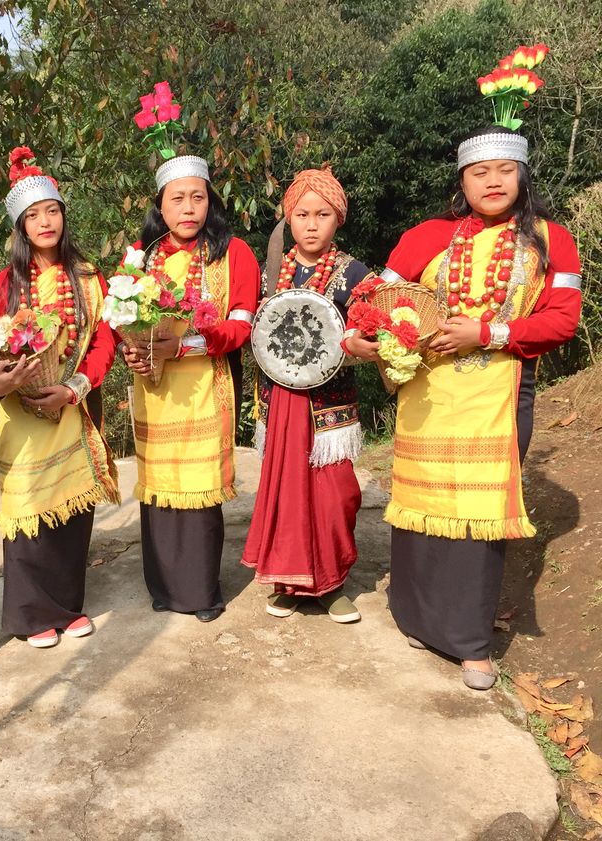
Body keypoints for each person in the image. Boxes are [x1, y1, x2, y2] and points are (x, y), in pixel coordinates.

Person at [381, 123, 581, 689]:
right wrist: (373, 337)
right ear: (461, 181)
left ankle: (470, 642)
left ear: (523, 173)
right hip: (427, 394)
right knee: (421, 509)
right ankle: (417, 616)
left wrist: (487, 333)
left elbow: (563, 318)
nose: (493, 181)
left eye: (504, 169)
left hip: (499, 391)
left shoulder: (549, 239)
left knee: (480, 517)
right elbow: (381, 304)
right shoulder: (426, 236)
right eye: (478, 172)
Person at [0, 147, 119, 648]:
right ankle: (33, 614)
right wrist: (3, 383)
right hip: (21, 420)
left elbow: (103, 342)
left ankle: (67, 606)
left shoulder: (88, 278)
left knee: (73, 511)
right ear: (20, 227)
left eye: (52, 211)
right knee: (29, 511)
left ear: (63, 214)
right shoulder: (1, 286)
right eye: (33, 216)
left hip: (71, 408)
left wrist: (75, 388)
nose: (45, 222)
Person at [121, 152, 260, 623]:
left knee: (199, 489)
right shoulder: (142, 258)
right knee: (160, 487)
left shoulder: (232, 252)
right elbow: (120, 318)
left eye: (196, 197)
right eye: (176, 199)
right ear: (159, 206)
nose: (187, 208)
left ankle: (202, 590)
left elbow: (242, 324)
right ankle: (162, 586)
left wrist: (187, 346)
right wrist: (134, 349)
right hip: (154, 389)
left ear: (209, 202)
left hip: (206, 382)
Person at [241, 166, 380, 623]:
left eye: (323, 214)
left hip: (329, 406)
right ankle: (288, 581)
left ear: (338, 218)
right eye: (302, 214)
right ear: (289, 219)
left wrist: (361, 346)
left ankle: (331, 583)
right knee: (284, 489)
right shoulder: (270, 273)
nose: (312, 223)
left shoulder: (355, 273)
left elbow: (375, 327)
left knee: (334, 492)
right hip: (281, 401)